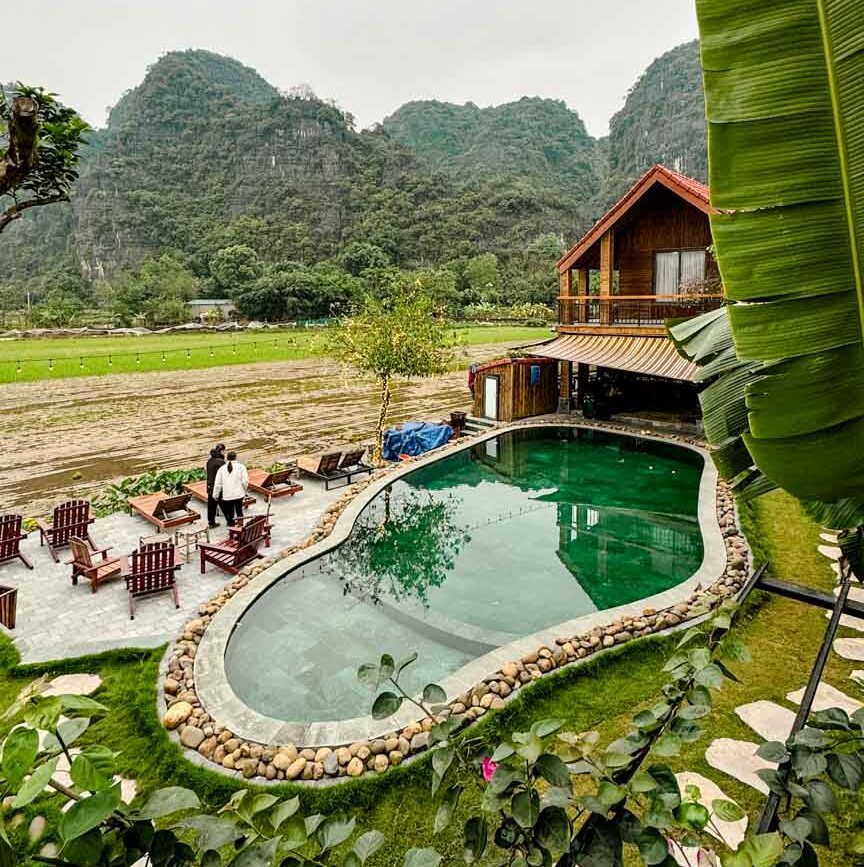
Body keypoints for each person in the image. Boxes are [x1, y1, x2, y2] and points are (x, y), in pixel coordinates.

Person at [213, 450, 249, 527]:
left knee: (230, 512)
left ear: (227, 458)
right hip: (239, 494)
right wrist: (244, 490)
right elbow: (245, 481)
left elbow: (218, 484)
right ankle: (241, 526)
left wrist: (215, 495)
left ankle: (231, 527)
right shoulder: (241, 467)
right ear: (236, 457)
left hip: (227, 495)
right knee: (239, 511)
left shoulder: (221, 469)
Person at [205, 443, 225, 528]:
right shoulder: (221, 462)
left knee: (211, 506)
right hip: (218, 486)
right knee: (224, 505)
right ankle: (230, 521)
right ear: (221, 451)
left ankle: (211, 523)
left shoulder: (209, 461)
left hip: (210, 486)